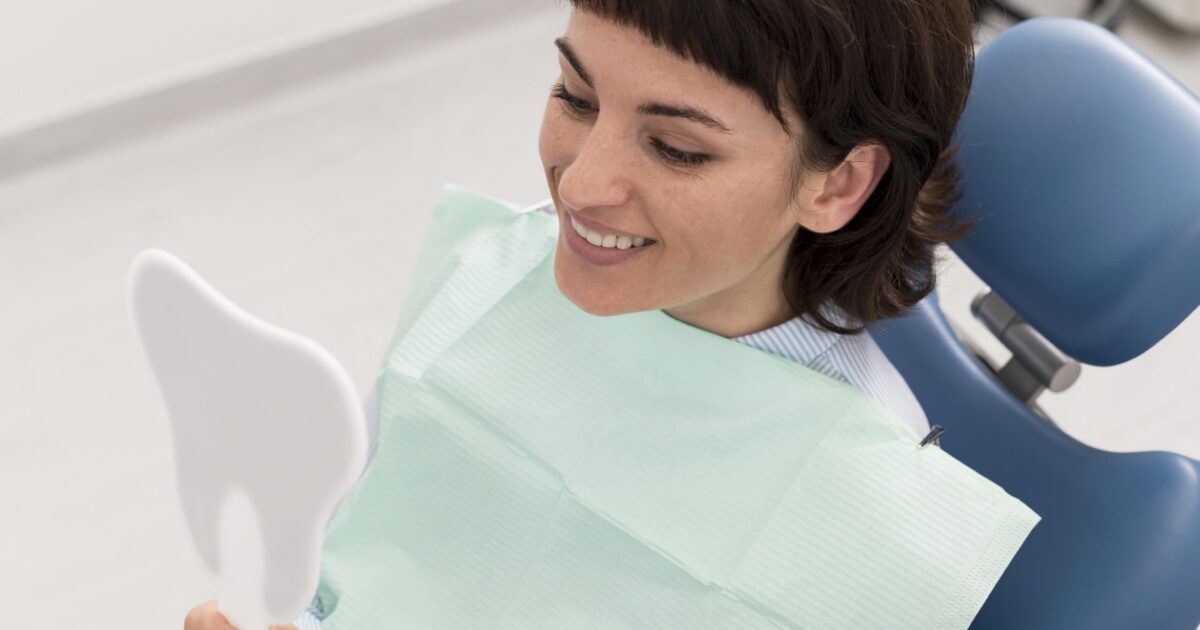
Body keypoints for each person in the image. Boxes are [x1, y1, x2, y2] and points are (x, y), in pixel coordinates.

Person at [187, 0, 978, 626]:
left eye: (676, 147)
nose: (579, 186)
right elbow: (349, 556)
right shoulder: (501, 279)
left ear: (837, 184)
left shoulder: (861, 525)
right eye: (576, 95)